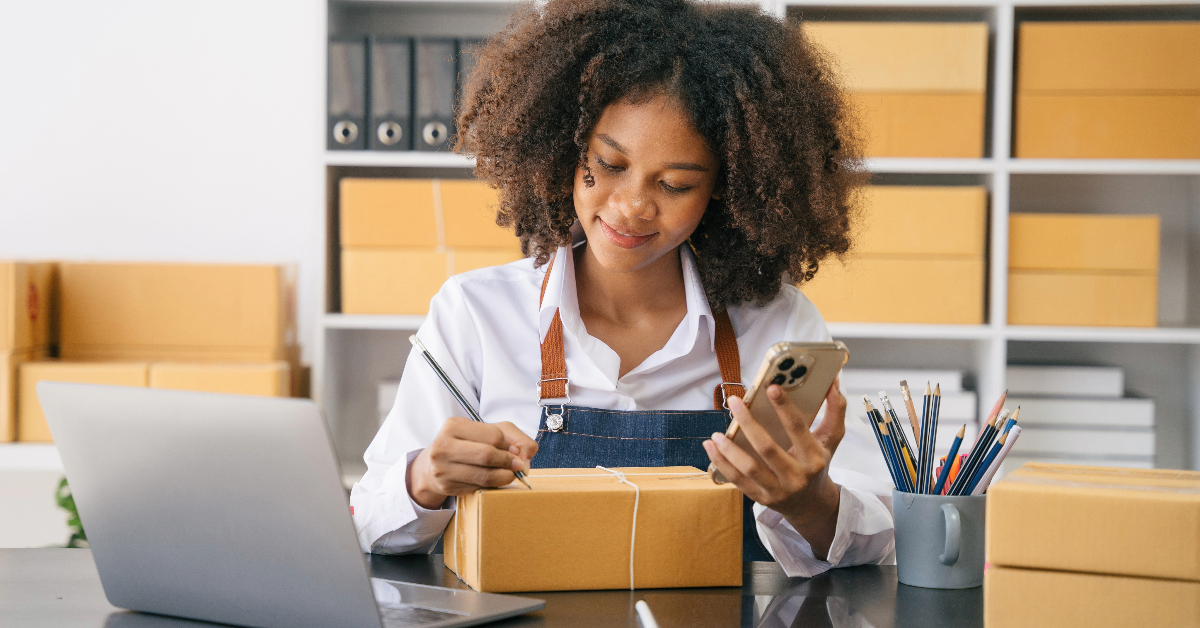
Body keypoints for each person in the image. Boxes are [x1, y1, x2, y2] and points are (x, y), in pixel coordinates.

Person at [351, 0, 895, 576]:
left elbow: (876, 538)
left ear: (727, 193)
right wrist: (423, 480)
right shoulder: (475, 314)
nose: (631, 206)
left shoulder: (778, 325)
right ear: (563, 149)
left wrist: (811, 505)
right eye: (609, 164)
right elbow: (369, 521)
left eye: (675, 184)